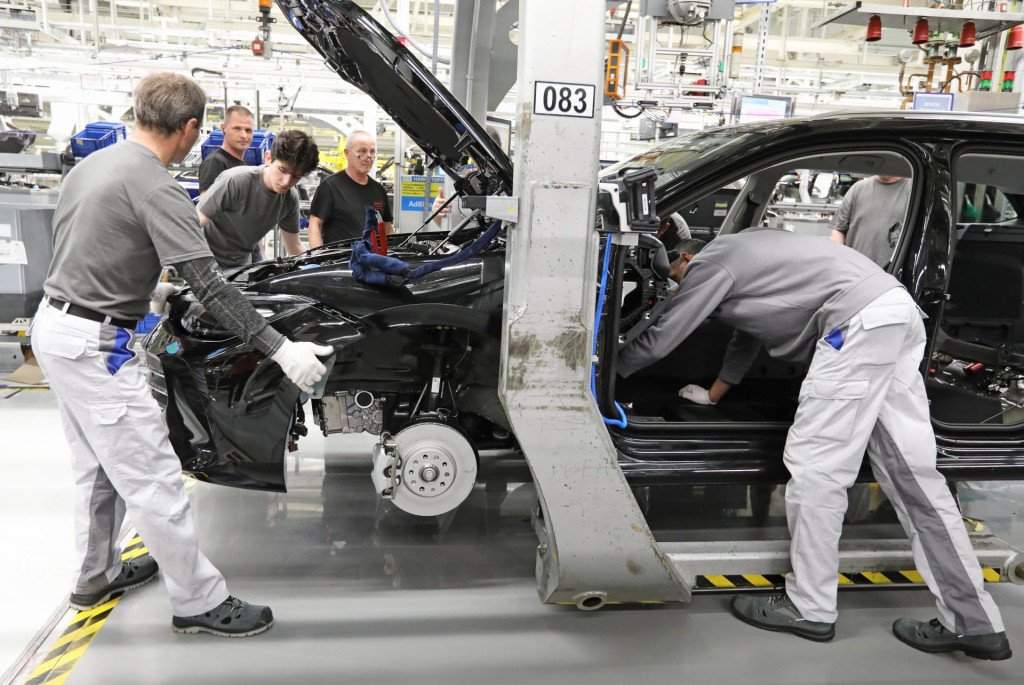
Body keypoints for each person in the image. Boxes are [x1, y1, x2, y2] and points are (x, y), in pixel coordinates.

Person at [31, 73, 332, 637]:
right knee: (154, 475)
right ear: (191, 129)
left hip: (56, 326)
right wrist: (280, 347)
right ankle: (198, 600)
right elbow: (213, 288)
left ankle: (95, 575)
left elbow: (92, 244)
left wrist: (147, 288)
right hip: (97, 343)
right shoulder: (157, 186)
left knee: (98, 469)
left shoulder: (93, 165)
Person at [618, 227, 1010, 660]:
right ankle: (975, 622)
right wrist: (714, 394)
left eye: (673, 280)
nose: (675, 289)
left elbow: (663, 336)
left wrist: (605, 375)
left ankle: (810, 608)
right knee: (914, 477)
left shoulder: (709, 265)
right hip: (894, 313)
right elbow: (745, 335)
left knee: (817, 470)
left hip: (853, 326)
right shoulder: (745, 254)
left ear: (686, 258)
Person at [198, 129, 319, 268]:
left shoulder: (289, 198)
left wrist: (319, 266)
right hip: (206, 262)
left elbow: (294, 246)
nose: (286, 182)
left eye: (296, 176)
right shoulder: (236, 181)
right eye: (283, 170)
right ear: (268, 158)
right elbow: (194, 223)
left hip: (240, 268)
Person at [308, 130, 393, 247]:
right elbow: (315, 225)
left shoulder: (379, 190)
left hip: (373, 261)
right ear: (347, 153)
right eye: (362, 151)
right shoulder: (330, 186)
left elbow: (387, 228)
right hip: (341, 262)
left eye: (372, 152)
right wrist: (317, 260)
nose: (368, 156)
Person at [829, 175, 911, 267]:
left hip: (893, 274)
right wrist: (839, 263)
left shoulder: (913, 190)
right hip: (855, 271)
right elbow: (838, 231)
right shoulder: (858, 189)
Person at [197, 105, 254, 196]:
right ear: (223, 129)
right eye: (237, 129)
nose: (244, 135)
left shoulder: (246, 165)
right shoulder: (215, 162)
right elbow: (206, 206)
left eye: (248, 130)